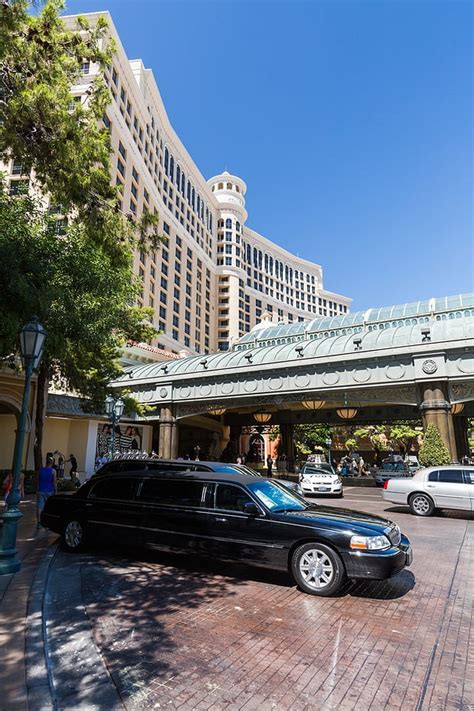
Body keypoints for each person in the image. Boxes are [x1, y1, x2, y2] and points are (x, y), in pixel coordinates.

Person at [36, 458, 57, 528]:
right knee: (49, 507)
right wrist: (56, 491)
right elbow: (54, 482)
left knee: (39, 507)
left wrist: (37, 488)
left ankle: (39, 523)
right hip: (49, 491)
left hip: (41, 490)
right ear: (52, 463)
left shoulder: (40, 470)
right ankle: (48, 523)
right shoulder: (53, 471)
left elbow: (37, 480)